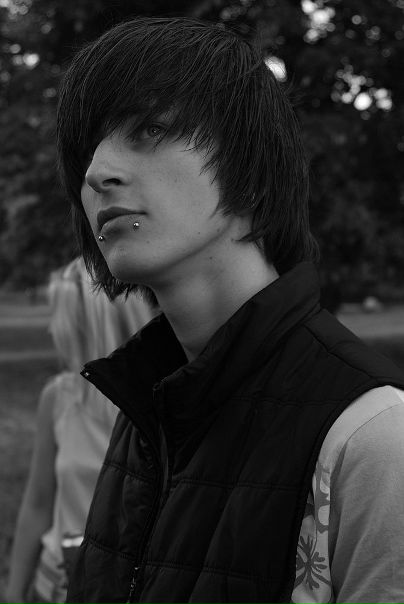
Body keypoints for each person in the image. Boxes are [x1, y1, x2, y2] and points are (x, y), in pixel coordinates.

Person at [56, 17, 404, 604]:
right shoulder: (146, 411)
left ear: (250, 167)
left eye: (149, 129)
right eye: (89, 149)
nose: (96, 172)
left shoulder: (372, 439)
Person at [4, 258, 155, 604]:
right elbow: (38, 502)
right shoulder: (59, 398)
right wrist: (14, 593)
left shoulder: (158, 403)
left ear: (92, 327)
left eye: (59, 318)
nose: (51, 330)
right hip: (54, 588)